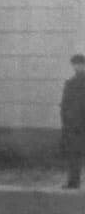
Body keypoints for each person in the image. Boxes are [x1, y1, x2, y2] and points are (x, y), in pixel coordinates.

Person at [61, 53, 85, 189]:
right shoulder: (70, 83)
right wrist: (66, 122)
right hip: (75, 125)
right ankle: (73, 181)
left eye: (80, 64)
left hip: (78, 124)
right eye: (75, 65)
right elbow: (64, 105)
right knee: (74, 154)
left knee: (75, 153)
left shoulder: (72, 83)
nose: (77, 67)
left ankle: (74, 181)